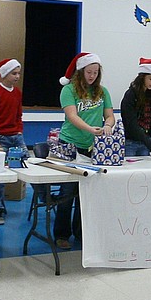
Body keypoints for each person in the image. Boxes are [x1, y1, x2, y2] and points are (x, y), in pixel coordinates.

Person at [54, 52, 116, 249]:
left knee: (86, 193)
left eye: (95, 73)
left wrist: (108, 124)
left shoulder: (102, 92)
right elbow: (72, 116)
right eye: (89, 72)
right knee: (67, 193)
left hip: (92, 148)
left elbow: (110, 115)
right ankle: (62, 234)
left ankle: (82, 233)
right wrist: (90, 129)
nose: (92, 76)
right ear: (80, 72)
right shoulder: (68, 90)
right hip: (69, 145)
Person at [0, 58, 25, 225]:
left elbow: (18, 114)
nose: (17, 76)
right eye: (14, 73)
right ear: (4, 74)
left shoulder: (17, 93)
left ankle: (44, 197)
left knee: (28, 166)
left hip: (16, 136)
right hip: (0, 138)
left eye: (18, 73)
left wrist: (19, 130)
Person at [120, 57, 151, 158]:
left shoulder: (150, 96)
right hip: (130, 143)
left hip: (145, 143)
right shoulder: (130, 95)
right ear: (142, 77)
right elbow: (132, 125)